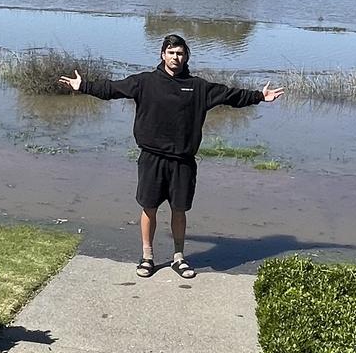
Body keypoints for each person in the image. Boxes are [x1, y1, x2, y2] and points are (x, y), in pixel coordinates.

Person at [58, 34, 284, 278]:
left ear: (186, 57)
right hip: (152, 158)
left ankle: (178, 257)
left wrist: (260, 96)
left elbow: (231, 96)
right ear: (162, 55)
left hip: (183, 161)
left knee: (179, 210)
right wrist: (84, 86)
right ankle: (147, 257)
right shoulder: (144, 82)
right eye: (172, 52)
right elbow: (113, 89)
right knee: (149, 208)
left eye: (181, 53)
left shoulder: (198, 87)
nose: (176, 57)